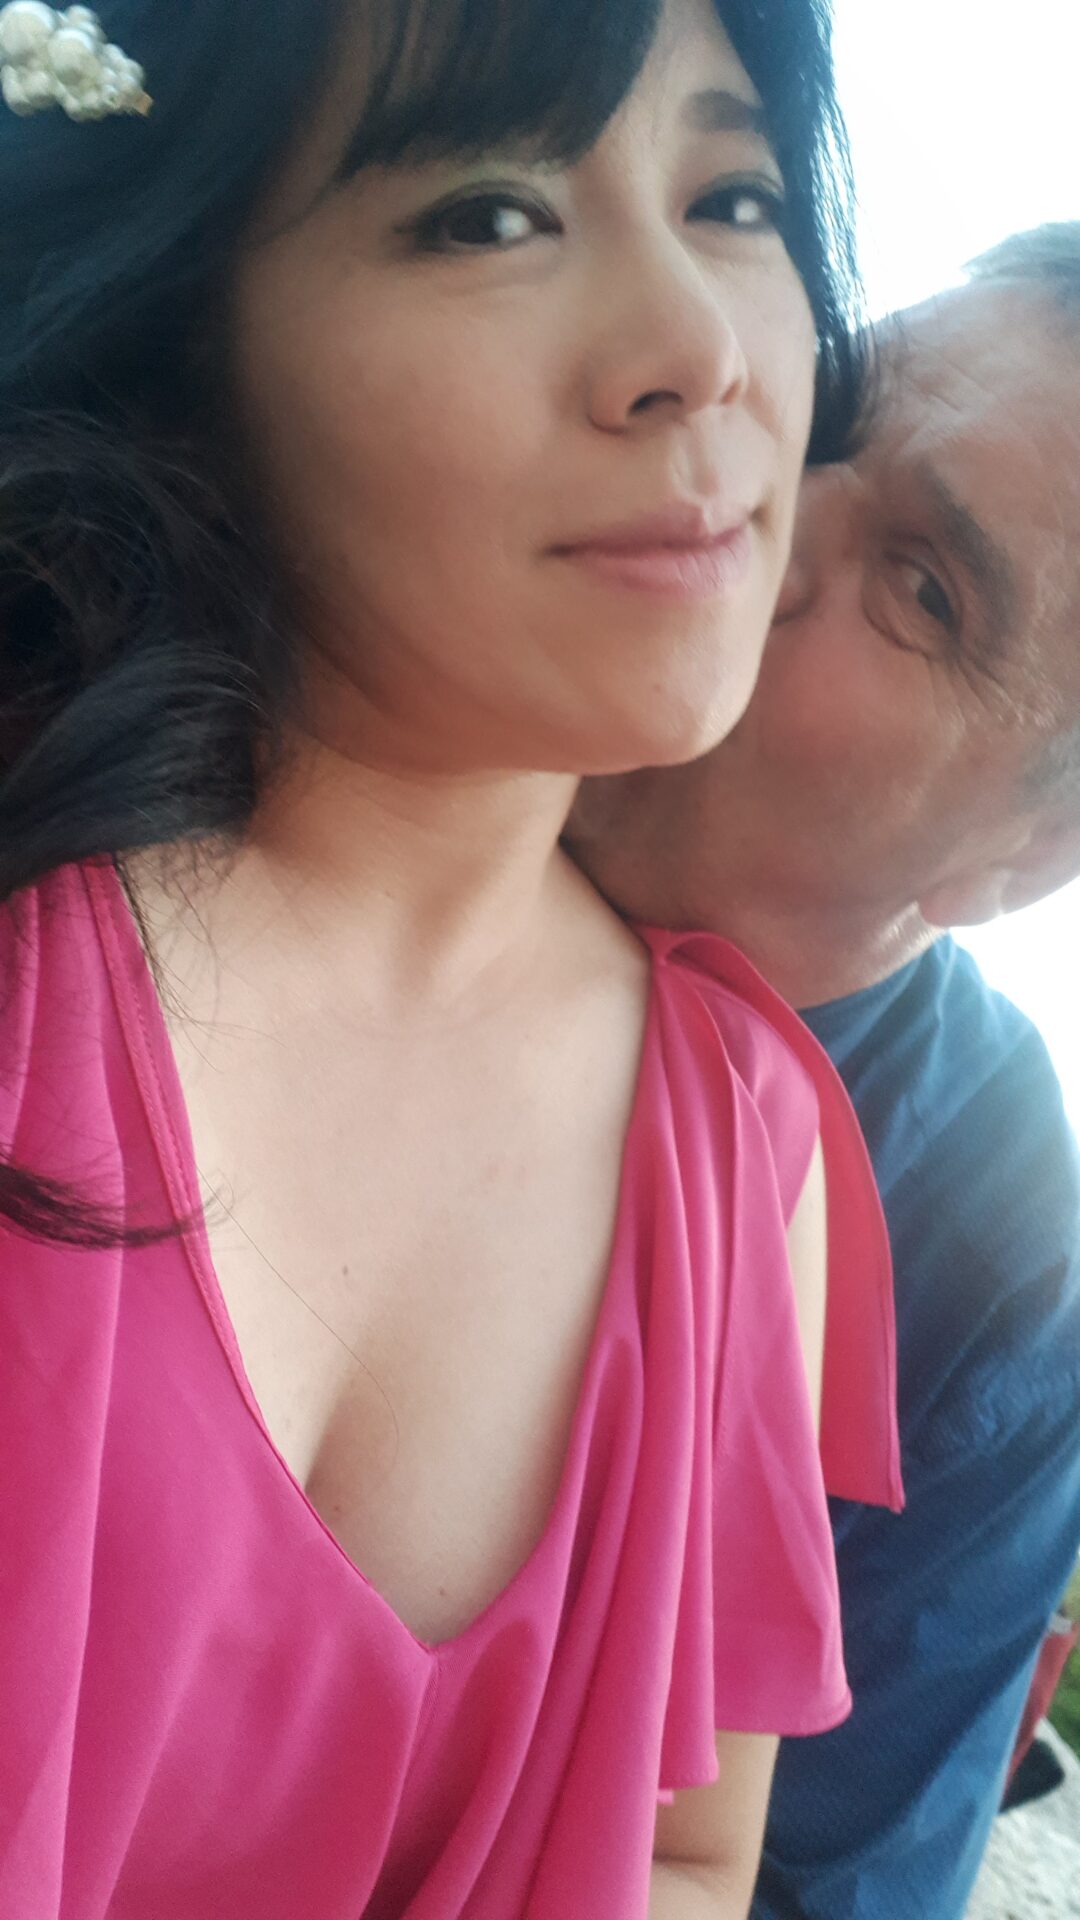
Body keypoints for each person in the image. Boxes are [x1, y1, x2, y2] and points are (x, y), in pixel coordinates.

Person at [0, 2, 903, 1915]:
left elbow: (683, 1853)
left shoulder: (745, 1159)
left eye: (735, 199)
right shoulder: (30, 952)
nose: (696, 347)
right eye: (490, 215)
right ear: (195, 329)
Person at [566, 222, 1080, 1919]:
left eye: (924, 589)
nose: (750, 510)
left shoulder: (991, 1244)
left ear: (1025, 857)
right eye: (829, 416)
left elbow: (809, 1881)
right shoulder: (229, 705)